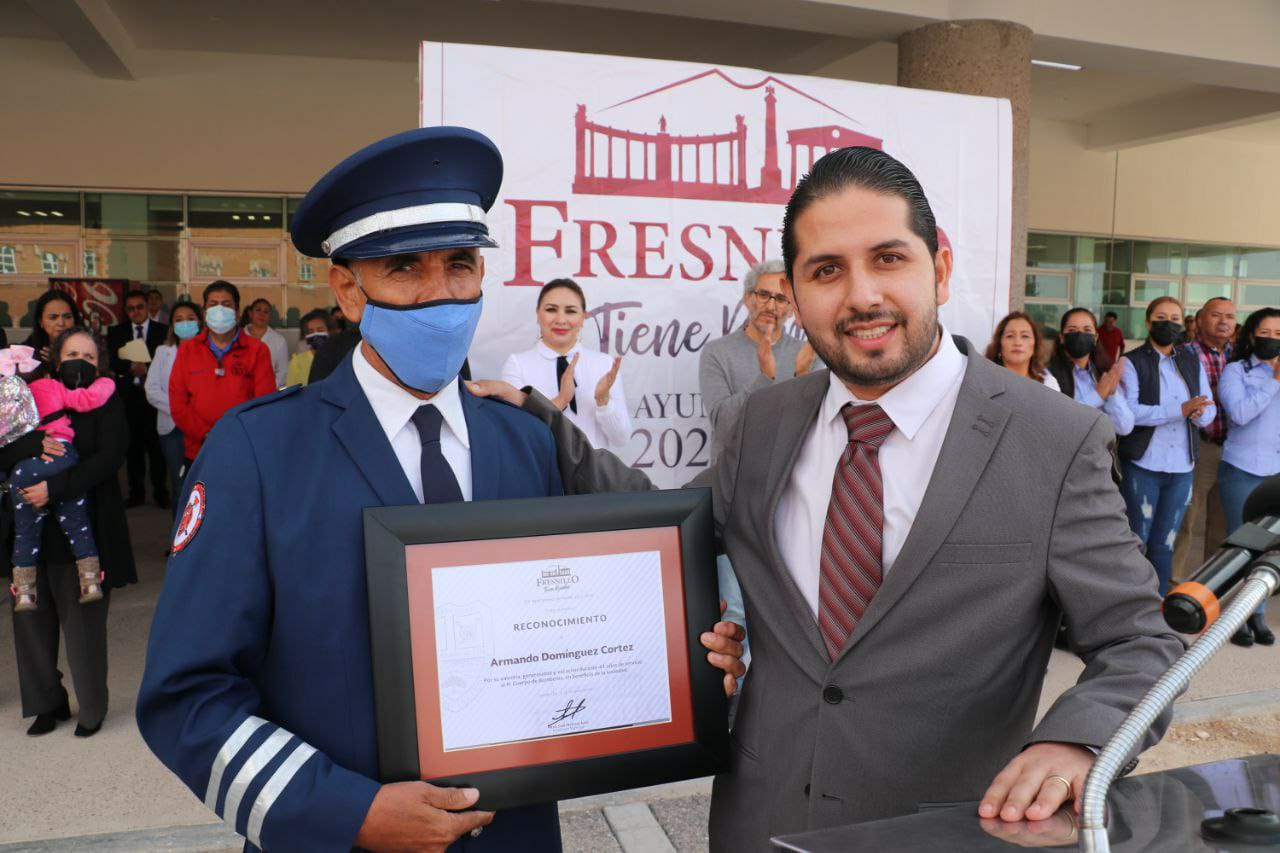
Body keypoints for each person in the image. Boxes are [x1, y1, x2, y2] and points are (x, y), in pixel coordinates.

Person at [481, 145, 1183, 848]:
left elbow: (1139, 640)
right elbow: (658, 521)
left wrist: (1078, 743)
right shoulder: (761, 423)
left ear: (938, 267)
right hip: (761, 822)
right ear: (793, 290)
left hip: (948, 832)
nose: (862, 296)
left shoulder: (1053, 439)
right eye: (826, 270)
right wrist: (537, 417)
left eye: (888, 258)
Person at [136, 127, 744, 853]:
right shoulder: (258, 452)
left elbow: (574, 622)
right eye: (404, 268)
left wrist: (688, 661)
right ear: (347, 290)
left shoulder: (523, 440)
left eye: (460, 264)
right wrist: (346, 811)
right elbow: (188, 694)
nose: (441, 295)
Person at [4, 327, 136, 737]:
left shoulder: (108, 400)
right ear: (56, 360)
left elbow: (110, 457)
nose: (82, 360)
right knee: (32, 621)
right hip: (31, 532)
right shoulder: (26, 396)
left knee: (84, 627)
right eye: (73, 353)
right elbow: (5, 446)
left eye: (91, 356)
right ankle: (47, 703)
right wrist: (33, 447)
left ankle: (91, 708)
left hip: (87, 529)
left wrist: (54, 488)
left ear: (101, 364)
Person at [1118, 296, 1215, 595]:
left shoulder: (1189, 360)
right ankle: (1129, 603)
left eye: (1175, 318)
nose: (1169, 324)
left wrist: (1199, 413)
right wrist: (1180, 410)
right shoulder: (1130, 361)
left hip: (1181, 467)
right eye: (1161, 317)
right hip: (1144, 464)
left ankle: (1156, 606)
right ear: (1148, 322)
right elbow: (1131, 413)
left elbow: (1209, 408)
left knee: (1165, 543)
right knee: (1137, 539)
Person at [7, 344, 115, 610]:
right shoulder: (49, 387)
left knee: (25, 528)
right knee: (76, 521)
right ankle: (90, 580)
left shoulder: (6, 397)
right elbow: (86, 399)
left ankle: (24, 590)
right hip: (62, 456)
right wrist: (106, 382)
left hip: (25, 468)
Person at [699, 259, 818, 462]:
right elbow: (723, 427)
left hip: (789, 482)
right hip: (733, 483)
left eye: (781, 299)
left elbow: (811, 432)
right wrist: (763, 377)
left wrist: (802, 376)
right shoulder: (716, 352)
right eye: (763, 295)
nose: (771, 306)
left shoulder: (806, 355)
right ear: (747, 298)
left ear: (791, 309)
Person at [1214, 307, 1280, 648]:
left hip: (1276, 475)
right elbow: (1240, 413)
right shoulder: (1236, 370)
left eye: (1278, 335)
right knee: (1243, 546)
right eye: (1265, 334)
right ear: (1252, 336)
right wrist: (1274, 382)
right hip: (1242, 468)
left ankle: (1258, 614)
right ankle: (1236, 618)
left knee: (1269, 549)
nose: (1272, 340)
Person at [501, 278, 631, 450]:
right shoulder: (517, 364)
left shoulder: (604, 365)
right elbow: (515, 431)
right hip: (539, 472)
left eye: (570, 311)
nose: (561, 320)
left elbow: (621, 439)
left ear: (583, 317)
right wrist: (561, 400)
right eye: (551, 310)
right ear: (538, 314)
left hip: (592, 474)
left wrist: (603, 400)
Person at [168, 281, 275, 468]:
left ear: (238, 311)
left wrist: (236, 435)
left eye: (226, 304)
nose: (219, 309)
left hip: (243, 447)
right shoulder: (188, 349)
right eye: (213, 304)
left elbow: (264, 403)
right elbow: (178, 403)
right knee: (201, 497)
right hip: (198, 449)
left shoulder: (257, 350)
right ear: (204, 311)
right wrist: (205, 434)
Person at [1171, 296, 1236, 582]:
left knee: (1222, 525)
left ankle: (1210, 585)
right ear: (1199, 320)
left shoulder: (1241, 355)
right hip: (1199, 448)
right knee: (1186, 520)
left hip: (1234, 451)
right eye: (1216, 315)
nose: (1223, 321)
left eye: (1229, 317)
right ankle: (1172, 586)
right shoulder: (1183, 353)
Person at [108, 290, 170, 508]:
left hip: (154, 398)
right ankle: (136, 494)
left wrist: (147, 368)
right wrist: (129, 367)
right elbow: (112, 362)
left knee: (156, 449)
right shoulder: (116, 332)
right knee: (133, 449)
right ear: (126, 311)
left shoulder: (163, 331)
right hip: (129, 397)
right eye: (131, 308)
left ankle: (161, 492)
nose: (136, 311)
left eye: (140, 307)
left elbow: (168, 361)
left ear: (148, 307)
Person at [145, 300, 202, 512]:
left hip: (201, 428)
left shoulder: (209, 353)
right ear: (172, 325)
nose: (184, 323)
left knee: (202, 484)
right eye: (179, 320)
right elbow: (152, 390)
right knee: (180, 485)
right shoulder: (163, 351)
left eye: (190, 319)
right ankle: (179, 543)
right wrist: (181, 410)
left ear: (200, 322)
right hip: (172, 428)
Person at [1046, 307, 1132, 436]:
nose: (1080, 335)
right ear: (1062, 337)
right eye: (1072, 330)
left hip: (1101, 453)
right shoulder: (1049, 375)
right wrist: (1098, 395)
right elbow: (1057, 423)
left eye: (1087, 330)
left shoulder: (1103, 373)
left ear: (1096, 337)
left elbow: (1124, 428)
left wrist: (1113, 395)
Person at [984, 311, 1060, 391]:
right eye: (1010, 336)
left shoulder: (1048, 384)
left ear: (1035, 345)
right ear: (999, 345)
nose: (1017, 342)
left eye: (1025, 336)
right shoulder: (984, 381)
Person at [241, 297, 289, 387]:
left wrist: (269, 388)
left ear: (270, 317)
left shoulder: (279, 340)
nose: (261, 314)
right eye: (258, 310)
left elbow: (283, 372)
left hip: (267, 391)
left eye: (266, 312)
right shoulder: (238, 336)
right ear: (250, 313)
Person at [24, 289, 81, 364]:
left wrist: (60, 363)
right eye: (53, 317)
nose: (61, 323)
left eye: (67, 317)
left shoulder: (88, 348)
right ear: (41, 322)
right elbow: (12, 376)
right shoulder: (26, 351)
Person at [285, 308, 334, 387]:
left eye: (320, 330)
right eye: (310, 332)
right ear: (305, 336)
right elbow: (290, 390)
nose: (316, 334)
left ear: (329, 331)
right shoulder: (297, 362)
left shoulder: (340, 357)